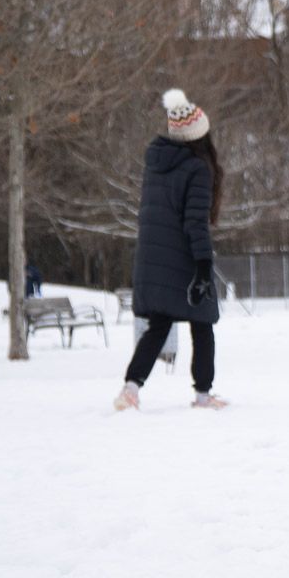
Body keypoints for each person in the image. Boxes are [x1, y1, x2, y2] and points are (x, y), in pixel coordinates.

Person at [114, 88, 228, 411]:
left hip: (153, 258)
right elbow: (195, 222)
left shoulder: (157, 164)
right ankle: (203, 396)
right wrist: (204, 265)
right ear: (200, 134)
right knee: (203, 323)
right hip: (184, 258)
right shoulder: (198, 168)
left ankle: (131, 389)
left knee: (159, 325)